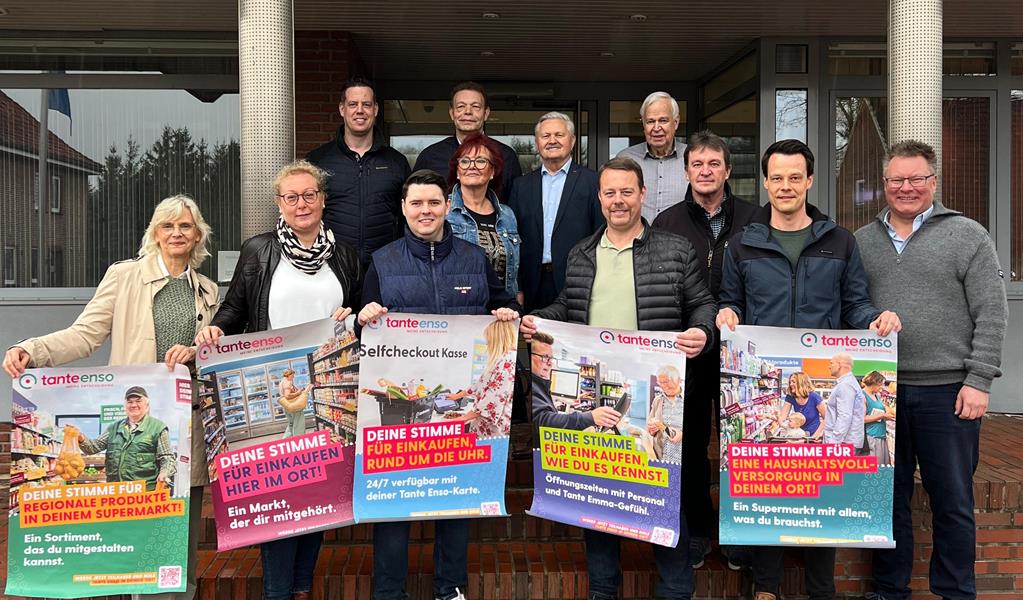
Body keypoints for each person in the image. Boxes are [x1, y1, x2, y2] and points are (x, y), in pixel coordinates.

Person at [2, 194, 219, 600]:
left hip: (184, 428)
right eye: (168, 225)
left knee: (179, 542)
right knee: (132, 539)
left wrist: (197, 351)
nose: (176, 233)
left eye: (185, 226)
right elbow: (84, 335)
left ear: (197, 235)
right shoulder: (125, 277)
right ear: (155, 233)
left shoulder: (207, 290)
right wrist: (32, 349)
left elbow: (213, 354)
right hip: (134, 428)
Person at [521, 156, 717, 600]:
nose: (618, 201)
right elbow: (566, 307)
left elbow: (703, 303)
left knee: (663, 494)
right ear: (600, 198)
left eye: (627, 191)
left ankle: (676, 590)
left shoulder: (675, 249)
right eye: (610, 192)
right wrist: (538, 320)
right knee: (597, 494)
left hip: (652, 394)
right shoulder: (581, 253)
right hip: (596, 397)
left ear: (642, 194)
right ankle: (603, 590)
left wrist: (703, 331)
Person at [716, 139, 901, 600]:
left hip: (814, 370)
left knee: (822, 492)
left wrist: (875, 320)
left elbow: (855, 303)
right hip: (770, 367)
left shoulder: (839, 241)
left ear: (810, 181)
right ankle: (766, 587)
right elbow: (731, 300)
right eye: (777, 177)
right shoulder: (742, 245)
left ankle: (822, 590)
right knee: (767, 487)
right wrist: (726, 313)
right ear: (765, 182)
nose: (786, 186)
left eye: (795, 177)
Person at [195, 159, 361, 600]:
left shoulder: (345, 254)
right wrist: (216, 330)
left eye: (309, 195)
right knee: (282, 494)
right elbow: (235, 308)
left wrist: (353, 316)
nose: (301, 204)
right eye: (291, 197)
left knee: (321, 489)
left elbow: (359, 312)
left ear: (323, 199)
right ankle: (278, 592)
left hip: (326, 385)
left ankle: (302, 585)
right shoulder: (259, 250)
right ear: (279, 203)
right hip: (278, 385)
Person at [854, 140, 1008, 600]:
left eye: (916, 178)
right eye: (896, 179)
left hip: (949, 392)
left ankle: (956, 591)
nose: (906, 187)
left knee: (953, 501)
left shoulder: (968, 235)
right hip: (883, 392)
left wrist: (979, 380)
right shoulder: (861, 242)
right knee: (887, 498)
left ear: (933, 182)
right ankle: (889, 589)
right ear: (884, 184)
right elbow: (851, 306)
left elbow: (992, 313)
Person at [357, 169, 520, 600]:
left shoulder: (473, 258)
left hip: (455, 408)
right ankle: (389, 593)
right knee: (393, 503)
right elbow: (361, 326)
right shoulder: (382, 261)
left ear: (448, 206)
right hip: (400, 412)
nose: (425, 211)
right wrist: (364, 316)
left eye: (433, 202)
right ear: (404, 208)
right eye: (416, 203)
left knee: (456, 498)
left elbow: (501, 304)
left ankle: (451, 588)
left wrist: (506, 313)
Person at [651, 129, 758, 568]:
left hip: (742, 352)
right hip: (687, 350)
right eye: (697, 164)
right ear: (686, 171)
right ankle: (696, 530)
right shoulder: (667, 222)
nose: (706, 171)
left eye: (714, 163)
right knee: (689, 445)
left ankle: (739, 534)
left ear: (727, 170)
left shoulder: (756, 219)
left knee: (740, 445)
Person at [307, 76, 411, 266]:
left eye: (366, 104)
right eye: (353, 104)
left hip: (385, 265)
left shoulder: (396, 162)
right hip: (331, 265)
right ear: (342, 109)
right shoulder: (317, 161)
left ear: (375, 109)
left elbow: (408, 216)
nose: (360, 110)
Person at [508, 111, 603, 312]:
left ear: (573, 140)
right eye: (546, 136)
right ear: (537, 143)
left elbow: (600, 235)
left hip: (578, 282)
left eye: (559, 135)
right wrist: (518, 286)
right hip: (533, 284)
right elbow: (513, 240)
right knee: (534, 333)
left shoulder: (592, 182)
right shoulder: (521, 186)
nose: (552, 141)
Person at [413, 81, 523, 196]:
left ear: (486, 113)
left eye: (475, 106)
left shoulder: (506, 156)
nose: (468, 112)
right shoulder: (430, 157)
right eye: (461, 106)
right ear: (452, 113)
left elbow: (516, 202)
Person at [446, 132, 521, 298]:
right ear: (457, 171)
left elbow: (514, 269)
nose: (472, 166)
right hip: (459, 305)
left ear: (492, 171)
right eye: (465, 161)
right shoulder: (444, 210)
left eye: (480, 161)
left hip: (502, 308)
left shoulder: (507, 215)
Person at [528, 329, 621, 442]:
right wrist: (590, 417)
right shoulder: (530, 386)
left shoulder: (539, 385)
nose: (549, 363)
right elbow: (542, 422)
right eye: (544, 357)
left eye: (551, 358)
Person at [77, 386, 174, 489]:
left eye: (138, 401)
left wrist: (164, 473)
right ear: (125, 406)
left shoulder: (157, 428)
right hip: (116, 490)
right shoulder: (113, 428)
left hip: (145, 491)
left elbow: (167, 457)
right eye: (129, 402)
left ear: (147, 405)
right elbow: (94, 447)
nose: (133, 405)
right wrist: (80, 437)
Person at [617, 91, 688, 221]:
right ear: (643, 125)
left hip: (680, 234)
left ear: (676, 122)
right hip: (637, 234)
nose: (656, 128)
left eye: (663, 120)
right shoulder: (626, 159)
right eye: (650, 121)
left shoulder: (692, 158)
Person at [446, 319, 518, 437]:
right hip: (484, 423)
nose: (488, 345)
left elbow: (493, 397)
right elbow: (480, 384)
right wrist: (456, 396)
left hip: (494, 429)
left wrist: (464, 418)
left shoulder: (508, 360)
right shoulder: (503, 358)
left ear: (496, 339)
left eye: (489, 341)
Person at [825, 353, 866, 446]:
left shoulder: (845, 385)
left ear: (839, 365)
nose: (829, 367)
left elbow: (845, 416)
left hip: (844, 443)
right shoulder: (848, 382)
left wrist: (834, 442)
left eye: (831, 363)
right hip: (847, 441)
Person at [648, 365, 685, 462]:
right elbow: (649, 425)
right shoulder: (657, 400)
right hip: (661, 456)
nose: (663, 386)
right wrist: (651, 429)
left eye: (666, 382)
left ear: (679, 380)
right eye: (660, 382)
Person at [777, 372, 825, 440]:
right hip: (798, 435)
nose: (791, 384)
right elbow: (783, 417)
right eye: (790, 382)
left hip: (814, 435)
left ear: (801, 383)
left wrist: (815, 436)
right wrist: (772, 417)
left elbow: (827, 418)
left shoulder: (814, 397)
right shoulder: (790, 397)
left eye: (793, 382)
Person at [860, 370, 892, 465]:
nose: (882, 387)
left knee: (883, 465)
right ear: (873, 383)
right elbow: (863, 419)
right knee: (876, 466)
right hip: (871, 436)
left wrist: (885, 416)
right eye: (880, 385)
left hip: (880, 435)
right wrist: (882, 415)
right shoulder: (862, 396)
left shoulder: (876, 395)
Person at [277, 368, 311, 439]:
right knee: (299, 425)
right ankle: (299, 440)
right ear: (288, 375)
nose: (293, 377)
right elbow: (287, 395)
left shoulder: (281, 382)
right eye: (292, 376)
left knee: (291, 424)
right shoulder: (288, 382)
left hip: (287, 406)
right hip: (294, 406)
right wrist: (298, 393)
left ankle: (286, 440)